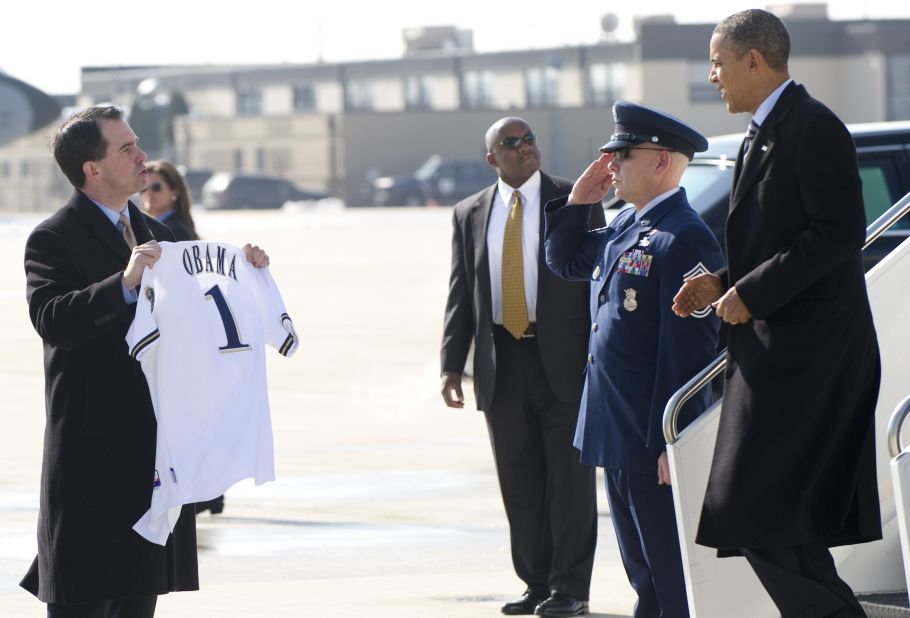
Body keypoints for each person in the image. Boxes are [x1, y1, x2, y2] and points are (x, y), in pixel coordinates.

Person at [22, 105, 271, 617]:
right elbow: (54, 321)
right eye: (127, 149)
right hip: (91, 460)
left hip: (156, 458)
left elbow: (204, 319)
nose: (144, 157)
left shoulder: (164, 235)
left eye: (138, 144)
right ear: (93, 169)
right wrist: (125, 283)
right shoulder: (52, 239)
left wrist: (241, 275)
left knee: (138, 605)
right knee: (82, 603)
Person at [672, 9, 882, 617]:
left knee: (759, 515)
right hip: (777, 358)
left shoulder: (812, 126)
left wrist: (751, 294)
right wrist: (722, 283)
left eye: (717, 62)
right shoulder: (765, 130)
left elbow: (839, 233)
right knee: (779, 528)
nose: (713, 75)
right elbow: (782, 241)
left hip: (812, 363)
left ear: (753, 61)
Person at [545, 101, 723, 618]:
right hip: (616, 430)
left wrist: (676, 438)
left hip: (651, 440)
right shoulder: (627, 224)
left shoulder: (684, 235)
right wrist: (580, 201)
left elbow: (690, 351)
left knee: (667, 575)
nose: (612, 164)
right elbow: (567, 260)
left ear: (661, 161)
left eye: (623, 154)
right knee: (642, 571)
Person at [440, 117, 602, 617]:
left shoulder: (573, 199)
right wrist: (451, 363)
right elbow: (461, 293)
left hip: (563, 363)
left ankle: (570, 588)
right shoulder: (469, 213)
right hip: (501, 364)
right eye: (512, 144)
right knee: (520, 482)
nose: (525, 147)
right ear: (493, 159)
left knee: (570, 484)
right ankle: (536, 583)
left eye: (528, 139)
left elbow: (599, 283)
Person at [141, 160, 199, 241]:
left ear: (175, 191)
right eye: (144, 187)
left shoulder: (177, 231)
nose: (148, 193)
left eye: (156, 187)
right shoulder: (145, 225)